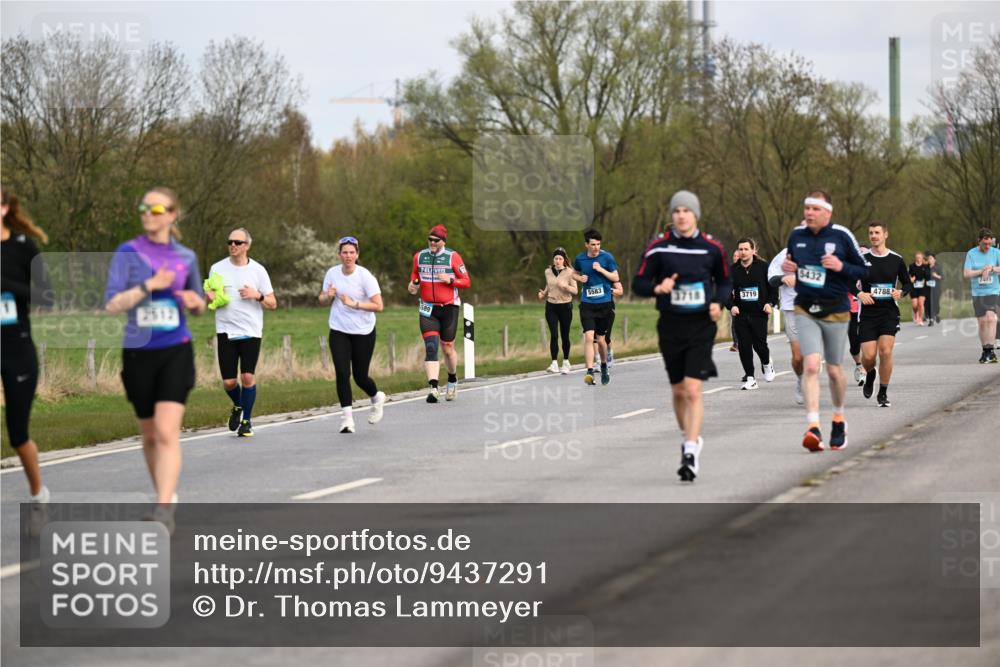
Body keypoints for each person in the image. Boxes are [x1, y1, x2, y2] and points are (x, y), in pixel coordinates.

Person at [105, 187, 206, 532]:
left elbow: (198, 304)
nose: (148, 213)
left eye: (156, 208)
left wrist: (196, 303)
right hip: (138, 353)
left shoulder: (186, 257)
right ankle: (165, 493)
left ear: (172, 215)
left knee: (166, 431)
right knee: (149, 435)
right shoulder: (127, 253)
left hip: (175, 350)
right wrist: (150, 284)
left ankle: (163, 509)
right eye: (143, 208)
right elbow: (112, 304)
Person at [633, 190, 730, 482]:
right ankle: (689, 435)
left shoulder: (711, 248)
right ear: (672, 216)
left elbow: (725, 281)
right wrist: (657, 288)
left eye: (687, 211)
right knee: (677, 392)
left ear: (696, 215)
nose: (681, 215)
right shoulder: (658, 249)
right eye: (676, 211)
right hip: (671, 325)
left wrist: (718, 302)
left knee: (692, 390)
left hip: (701, 326)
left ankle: (690, 449)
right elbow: (638, 282)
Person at [781, 190, 868, 452]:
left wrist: (841, 267)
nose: (809, 213)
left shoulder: (841, 236)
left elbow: (864, 269)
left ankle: (839, 419)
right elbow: (793, 263)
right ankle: (813, 426)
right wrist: (790, 268)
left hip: (836, 310)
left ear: (827, 213)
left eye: (815, 209)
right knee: (810, 366)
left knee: (833, 370)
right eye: (806, 208)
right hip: (805, 308)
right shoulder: (797, 236)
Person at [1, 187, 53, 534]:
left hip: (16, 347)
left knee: (18, 434)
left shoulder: (22, 247)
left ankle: (39, 496)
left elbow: (46, 297)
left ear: (4, 208)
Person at [206, 228, 277, 437]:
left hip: (251, 330)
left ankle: (247, 421)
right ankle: (238, 405)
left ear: (247, 245)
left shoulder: (258, 271)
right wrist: (210, 297)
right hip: (225, 329)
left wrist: (258, 295)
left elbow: (273, 303)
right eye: (230, 242)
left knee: (247, 377)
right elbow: (210, 297)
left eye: (237, 242)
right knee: (229, 382)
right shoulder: (216, 268)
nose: (233, 246)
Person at [320, 236, 386, 433]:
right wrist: (327, 296)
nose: (348, 256)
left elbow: (379, 306)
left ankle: (376, 397)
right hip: (339, 329)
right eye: (344, 252)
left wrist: (354, 304)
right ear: (339, 254)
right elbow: (322, 299)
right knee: (342, 373)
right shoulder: (332, 273)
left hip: (363, 331)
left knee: (360, 377)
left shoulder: (365, 277)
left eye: (351, 252)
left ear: (357, 254)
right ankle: (347, 420)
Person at [407, 225, 471, 402]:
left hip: (449, 307)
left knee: (447, 348)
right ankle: (434, 388)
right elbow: (415, 275)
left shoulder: (453, 256)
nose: (432, 243)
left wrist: (450, 279)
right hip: (428, 308)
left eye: (436, 240)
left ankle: (452, 379)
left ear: (443, 241)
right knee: (431, 346)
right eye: (430, 240)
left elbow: (466, 282)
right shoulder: (419, 256)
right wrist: (413, 285)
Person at [856, 222, 911, 407]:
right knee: (869, 357)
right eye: (871, 233)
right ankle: (870, 373)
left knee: (885, 351)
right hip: (868, 315)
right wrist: (859, 294)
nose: (874, 236)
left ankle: (883, 393)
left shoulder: (896, 259)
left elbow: (907, 283)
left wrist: (901, 293)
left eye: (877, 233)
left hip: (888, 313)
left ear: (885, 235)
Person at [572, 229, 620, 386]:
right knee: (588, 337)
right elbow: (572, 273)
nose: (596, 247)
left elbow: (616, 277)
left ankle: (604, 366)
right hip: (587, 303)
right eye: (593, 244)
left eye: (598, 244)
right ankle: (589, 371)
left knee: (601, 341)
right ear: (586, 244)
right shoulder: (580, 259)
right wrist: (579, 278)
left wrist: (601, 270)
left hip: (604, 303)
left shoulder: (607, 257)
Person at [729, 237, 776, 390]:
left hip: (759, 313)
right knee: (744, 346)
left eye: (746, 249)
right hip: (741, 314)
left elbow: (773, 289)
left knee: (760, 345)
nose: (743, 252)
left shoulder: (763, 267)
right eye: (740, 249)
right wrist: (731, 306)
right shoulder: (732, 270)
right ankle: (750, 378)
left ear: (753, 250)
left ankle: (767, 363)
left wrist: (770, 303)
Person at [768, 243, 804, 404]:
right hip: (792, 308)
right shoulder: (784, 255)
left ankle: (810, 379)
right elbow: (771, 279)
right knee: (797, 357)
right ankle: (801, 379)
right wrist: (783, 278)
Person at [963, 228, 1000, 363]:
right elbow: (966, 274)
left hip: (993, 290)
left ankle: (991, 350)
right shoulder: (971, 254)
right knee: (982, 322)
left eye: (990, 244)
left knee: (991, 318)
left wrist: (992, 269)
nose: (987, 247)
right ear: (979, 241)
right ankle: (985, 351)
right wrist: (980, 271)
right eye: (985, 244)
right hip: (978, 292)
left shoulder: (996, 253)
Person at [538, 247, 577, 374]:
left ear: (564, 260)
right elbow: (549, 285)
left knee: (565, 335)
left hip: (565, 306)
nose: (558, 261)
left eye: (560, 258)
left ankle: (566, 362)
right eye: (556, 258)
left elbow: (575, 291)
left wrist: (566, 286)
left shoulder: (570, 272)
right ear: (553, 260)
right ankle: (554, 363)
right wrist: (543, 293)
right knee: (554, 335)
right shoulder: (547, 271)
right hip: (551, 306)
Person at [908, 252, 929, 326]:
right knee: (914, 305)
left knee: (920, 303)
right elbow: (908, 276)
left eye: (920, 257)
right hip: (914, 287)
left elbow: (928, 276)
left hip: (922, 287)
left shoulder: (925, 266)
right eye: (917, 257)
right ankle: (915, 313)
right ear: (915, 258)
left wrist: (925, 280)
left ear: (922, 258)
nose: (918, 259)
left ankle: (920, 319)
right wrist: (911, 279)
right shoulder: (911, 266)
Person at [925, 252, 943, 325]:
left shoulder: (938, 267)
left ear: (934, 260)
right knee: (929, 303)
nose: (929, 260)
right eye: (928, 259)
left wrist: (936, 276)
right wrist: (924, 281)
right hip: (927, 288)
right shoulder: (925, 268)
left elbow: (942, 277)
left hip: (936, 288)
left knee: (935, 303)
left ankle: (937, 314)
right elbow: (923, 276)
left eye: (931, 258)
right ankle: (931, 319)